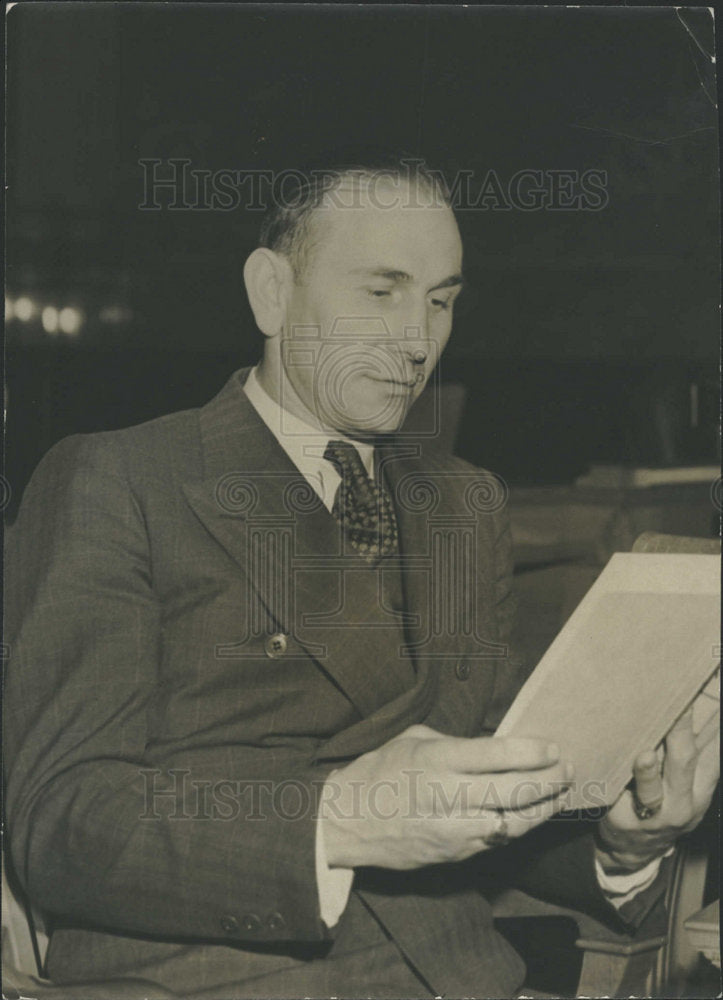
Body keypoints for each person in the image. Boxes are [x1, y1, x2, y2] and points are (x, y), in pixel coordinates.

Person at [5, 154, 719, 999]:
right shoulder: (122, 480)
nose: (417, 341)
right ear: (271, 293)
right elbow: (62, 825)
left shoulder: (463, 501)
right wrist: (340, 818)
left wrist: (617, 844)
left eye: (441, 301)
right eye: (380, 293)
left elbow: (486, 805)